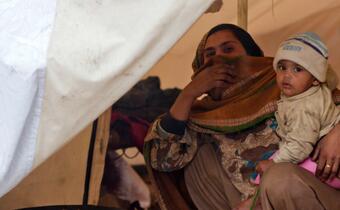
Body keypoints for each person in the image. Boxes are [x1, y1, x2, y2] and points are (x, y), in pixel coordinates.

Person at [144, 24, 340, 210]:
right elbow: (163, 160)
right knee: (200, 159)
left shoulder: (289, 83)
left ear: (252, 56)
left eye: (228, 50)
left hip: (312, 193)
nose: (218, 59)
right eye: (209, 55)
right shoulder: (202, 114)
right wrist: (188, 94)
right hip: (246, 201)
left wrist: (337, 134)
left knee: (279, 178)